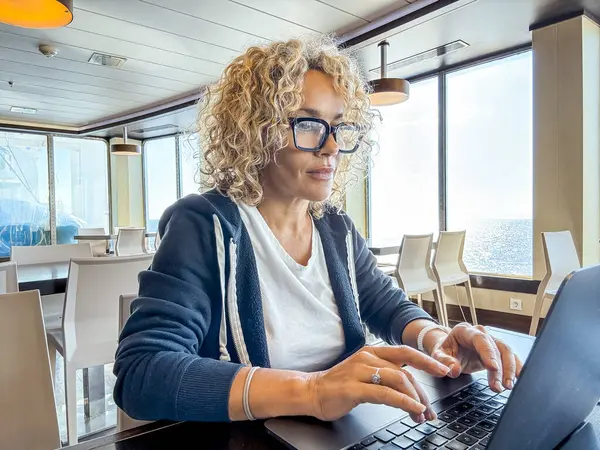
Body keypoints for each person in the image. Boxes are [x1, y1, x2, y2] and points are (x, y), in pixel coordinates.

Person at [114, 36, 521, 425]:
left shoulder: (335, 226)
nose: (329, 147)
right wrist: (311, 392)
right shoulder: (204, 224)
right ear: (258, 131)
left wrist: (438, 339)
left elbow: (387, 306)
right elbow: (142, 373)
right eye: (308, 124)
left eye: (339, 127)